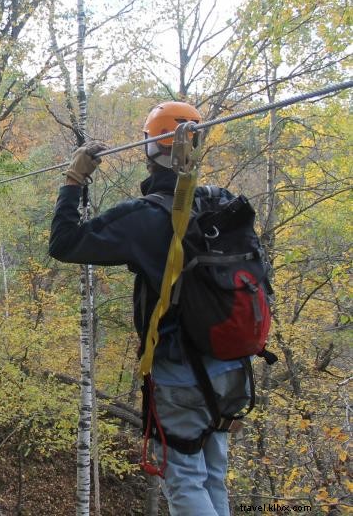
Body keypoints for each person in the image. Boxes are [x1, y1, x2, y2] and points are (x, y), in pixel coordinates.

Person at [48, 102, 250, 516]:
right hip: (232, 368)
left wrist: (74, 179)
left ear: (148, 145)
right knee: (213, 475)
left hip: (182, 377)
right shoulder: (223, 203)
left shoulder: (144, 216)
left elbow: (64, 242)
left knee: (186, 483)